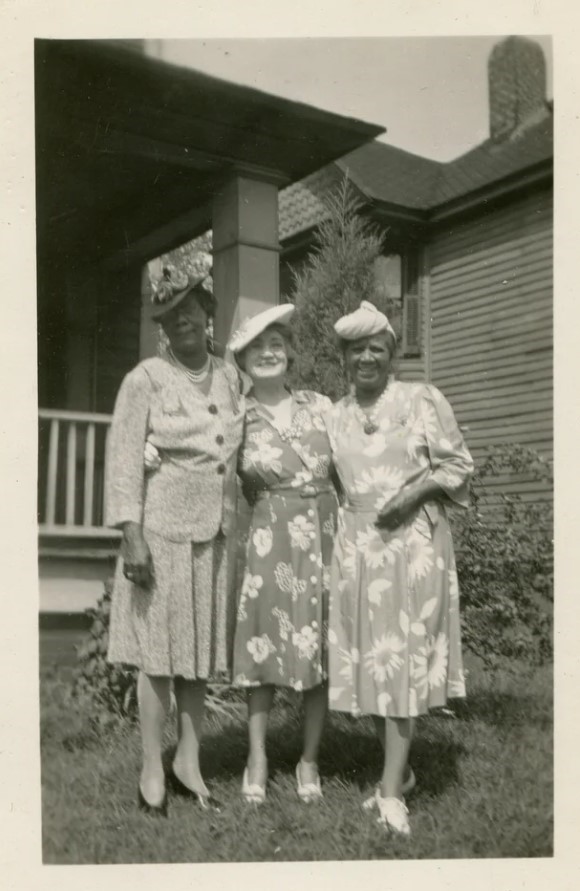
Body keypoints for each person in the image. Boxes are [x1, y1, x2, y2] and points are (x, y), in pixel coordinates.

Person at [325, 300, 473, 837]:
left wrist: (413, 493)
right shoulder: (335, 414)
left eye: (377, 348)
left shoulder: (420, 399)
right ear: (344, 356)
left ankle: (391, 795)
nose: (367, 357)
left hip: (412, 544)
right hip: (358, 546)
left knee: (402, 664)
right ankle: (402, 772)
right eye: (356, 349)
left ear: (391, 354)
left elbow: (457, 464)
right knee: (370, 664)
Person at [105, 267, 244, 816]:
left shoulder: (231, 378)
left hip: (212, 535)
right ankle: (149, 768)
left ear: (207, 311)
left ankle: (189, 762)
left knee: (198, 657)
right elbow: (122, 465)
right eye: (168, 314)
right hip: (160, 536)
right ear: (162, 325)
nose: (180, 319)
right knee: (159, 658)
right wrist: (130, 535)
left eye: (189, 307)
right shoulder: (145, 378)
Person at [227, 304, 337, 805]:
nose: (267, 352)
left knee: (317, 648)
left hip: (324, 537)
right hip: (270, 541)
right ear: (242, 359)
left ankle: (309, 760)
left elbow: (357, 456)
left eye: (275, 343)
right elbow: (207, 465)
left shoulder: (321, 405)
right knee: (264, 649)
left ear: (289, 352)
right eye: (256, 347)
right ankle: (257, 757)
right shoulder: (237, 417)